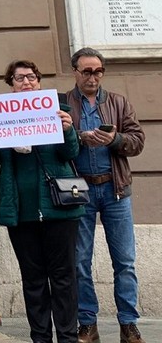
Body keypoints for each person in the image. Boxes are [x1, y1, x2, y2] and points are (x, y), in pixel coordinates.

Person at [0, 59, 83, 343]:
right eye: (19, 78)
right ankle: (40, 338)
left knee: (63, 279)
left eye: (31, 77)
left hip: (59, 211)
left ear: (39, 81)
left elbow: (70, 153)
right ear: (10, 83)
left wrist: (68, 129)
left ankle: (68, 337)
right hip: (21, 213)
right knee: (33, 280)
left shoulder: (59, 110)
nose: (26, 82)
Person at [66, 48, 146, 343]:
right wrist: (77, 137)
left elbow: (137, 141)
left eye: (98, 71)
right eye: (86, 71)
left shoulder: (118, 102)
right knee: (79, 261)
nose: (93, 77)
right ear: (75, 71)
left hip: (115, 189)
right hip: (78, 189)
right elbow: (53, 142)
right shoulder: (63, 103)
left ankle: (128, 323)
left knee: (124, 261)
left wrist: (115, 139)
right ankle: (87, 323)